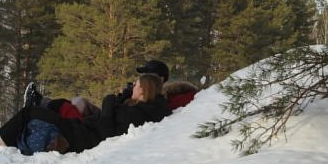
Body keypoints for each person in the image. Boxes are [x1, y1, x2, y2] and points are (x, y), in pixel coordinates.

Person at [0, 73, 170, 156]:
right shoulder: (139, 107)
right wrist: (121, 97)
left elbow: (107, 131)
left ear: (144, 91)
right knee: (40, 112)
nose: (133, 87)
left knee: (30, 112)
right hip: (82, 132)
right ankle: (4, 142)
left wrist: (109, 102)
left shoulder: (136, 114)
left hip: (80, 138)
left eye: (136, 85)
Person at [25, 59, 198, 115]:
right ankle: (42, 103)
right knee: (79, 101)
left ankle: (42, 107)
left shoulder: (158, 99)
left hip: (111, 121)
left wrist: (126, 96)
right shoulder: (145, 93)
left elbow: (119, 109)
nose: (140, 79)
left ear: (158, 78)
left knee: (77, 105)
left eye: (145, 75)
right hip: (112, 116)